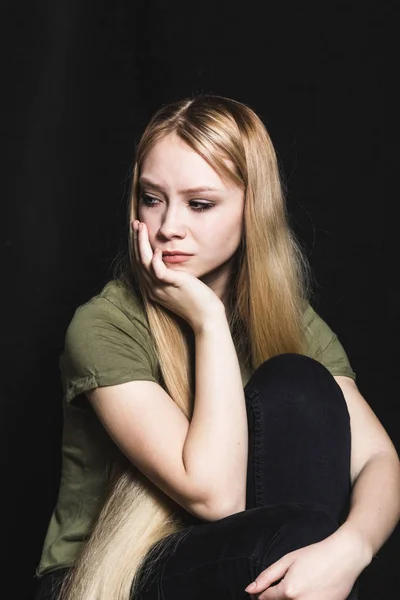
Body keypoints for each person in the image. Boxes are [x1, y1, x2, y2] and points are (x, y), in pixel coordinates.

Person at [34, 94, 400, 600]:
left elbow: (379, 458)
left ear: (254, 208)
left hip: (252, 559)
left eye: (199, 204)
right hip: (108, 578)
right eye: (151, 197)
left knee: (298, 384)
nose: (168, 228)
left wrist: (352, 547)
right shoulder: (103, 326)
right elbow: (216, 497)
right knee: (292, 542)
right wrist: (207, 318)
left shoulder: (284, 318)